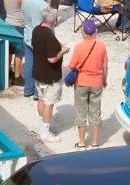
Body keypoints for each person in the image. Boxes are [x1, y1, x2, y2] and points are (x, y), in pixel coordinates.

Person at [68, 20, 108, 149]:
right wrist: (104, 80)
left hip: (81, 82)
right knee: (95, 112)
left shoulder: (79, 47)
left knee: (81, 112)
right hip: (97, 82)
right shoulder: (101, 46)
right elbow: (105, 65)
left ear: (83, 32)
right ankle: (95, 142)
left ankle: (81, 142)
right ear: (95, 31)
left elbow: (71, 66)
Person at [30, 8, 66, 142]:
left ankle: (42, 127)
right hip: (50, 75)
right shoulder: (49, 35)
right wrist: (63, 51)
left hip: (38, 71)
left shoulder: (36, 29)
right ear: (53, 20)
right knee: (48, 104)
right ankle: (45, 134)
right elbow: (52, 59)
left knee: (41, 100)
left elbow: (36, 47)